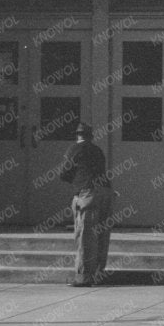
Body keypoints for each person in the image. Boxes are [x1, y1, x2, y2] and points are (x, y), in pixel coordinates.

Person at [57, 122, 113, 286]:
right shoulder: (97, 150)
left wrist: (76, 182)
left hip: (88, 193)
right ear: (91, 136)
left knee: (85, 236)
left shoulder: (74, 149)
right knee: (102, 236)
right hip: (105, 192)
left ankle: (83, 277)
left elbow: (63, 173)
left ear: (77, 135)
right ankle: (98, 274)